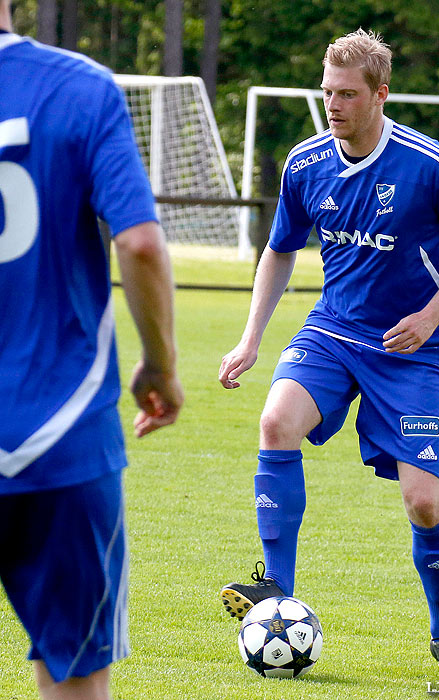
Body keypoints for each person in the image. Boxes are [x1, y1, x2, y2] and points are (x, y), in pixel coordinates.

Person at [218, 29, 439, 673]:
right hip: (333, 333)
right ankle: (277, 589)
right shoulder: (306, 164)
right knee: (274, 422)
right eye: (327, 92)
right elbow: (280, 250)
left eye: (346, 94)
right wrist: (251, 337)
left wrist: (430, 316)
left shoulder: (429, 165)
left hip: (413, 351)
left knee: (424, 501)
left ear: (379, 94)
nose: (333, 105)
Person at [0, 4, 183, 699]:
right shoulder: (80, 87)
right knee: (74, 677)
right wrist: (159, 365)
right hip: (60, 434)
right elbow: (137, 242)